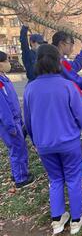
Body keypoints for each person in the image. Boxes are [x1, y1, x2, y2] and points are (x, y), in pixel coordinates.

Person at [23, 44, 82, 235]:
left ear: (37, 62)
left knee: (55, 180)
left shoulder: (30, 89)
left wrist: (35, 142)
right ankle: (76, 220)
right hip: (69, 144)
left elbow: (28, 122)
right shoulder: (68, 86)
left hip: (44, 145)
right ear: (58, 62)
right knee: (72, 180)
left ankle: (57, 220)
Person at [0, 51, 34, 188]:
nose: (9, 63)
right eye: (6, 61)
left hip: (15, 120)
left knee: (18, 148)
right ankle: (21, 178)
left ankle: (18, 173)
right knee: (17, 149)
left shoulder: (4, 78)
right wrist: (11, 126)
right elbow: (3, 108)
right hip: (9, 123)